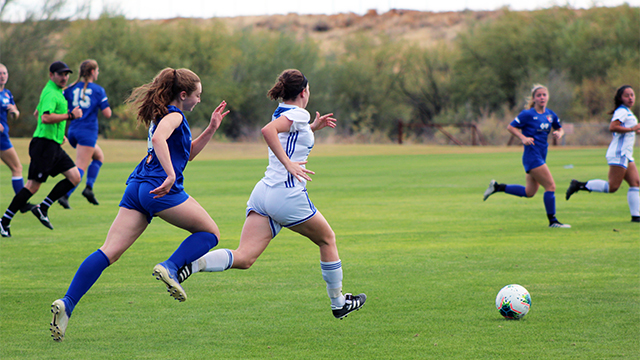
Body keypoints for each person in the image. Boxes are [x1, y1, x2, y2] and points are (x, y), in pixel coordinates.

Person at [50, 67, 229, 342]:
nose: (199, 100)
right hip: (159, 187)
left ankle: (67, 303)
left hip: (137, 186)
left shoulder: (164, 115)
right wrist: (170, 175)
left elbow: (187, 154)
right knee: (210, 234)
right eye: (198, 95)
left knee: (108, 251)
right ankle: (170, 267)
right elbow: (158, 140)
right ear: (183, 95)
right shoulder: (175, 115)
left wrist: (212, 128)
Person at [173, 69, 366, 320]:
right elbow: (268, 131)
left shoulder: (284, 111)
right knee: (327, 239)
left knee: (244, 258)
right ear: (304, 92)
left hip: (264, 193)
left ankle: (192, 265)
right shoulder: (298, 112)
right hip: (287, 195)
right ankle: (339, 302)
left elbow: (286, 136)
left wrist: (312, 128)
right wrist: (289, 164)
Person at [0, 61, 83, 237]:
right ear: (51, 75)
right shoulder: (51, 93)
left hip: (52, 143)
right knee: (33, 186)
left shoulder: (55, 92)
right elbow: (45, 118)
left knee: (75, 177)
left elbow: (38, 113)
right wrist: (70, 116)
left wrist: (59, 133)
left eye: (66, 74)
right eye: (60, 74)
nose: (64, 77)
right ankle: (4, 221)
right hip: (43, 146)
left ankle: (42, 208)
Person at [483, 84, 571, 228]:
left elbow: (560, 129)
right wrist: (522, 137)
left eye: (544, 95)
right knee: (551, 186)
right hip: (532, 157)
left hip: (541, 156)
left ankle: (497, 187)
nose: (542, 97)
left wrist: (559, 133)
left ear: (548, 97)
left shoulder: (550, 115)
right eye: (539, 95)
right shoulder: (527, 114)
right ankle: (553, 222)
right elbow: (510, 127)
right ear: (534, 98)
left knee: (529, 192)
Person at [565, 85, 640, 222]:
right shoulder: (622, 111)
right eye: (627, 95)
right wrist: (631, 129)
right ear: (620, 98)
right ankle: (579, 185)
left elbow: (629, 129)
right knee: (612, 187)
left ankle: (636, 217)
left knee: (636, 183)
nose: (630, 98)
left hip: (626, 154)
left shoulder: (627, 112)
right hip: (619, 153)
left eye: (632, 95)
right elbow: (613, 127)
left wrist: (634, 129)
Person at [58, 59, 112, 208]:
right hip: (87, 132)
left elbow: (61, 107)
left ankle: (89, 189)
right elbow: (107, 113)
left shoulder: (70, 88)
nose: (98, 73)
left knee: (99, 156)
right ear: (93, 72)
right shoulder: (98, 90)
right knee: (80, 166)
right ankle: (64, 195)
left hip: (73, 131)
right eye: (97, 71)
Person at [0, 63, 35, 214]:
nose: (2, 76)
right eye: (0, 73)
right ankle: (21, 203)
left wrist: (14, 112)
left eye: (4, 73)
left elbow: (16, 112)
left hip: (2, 137)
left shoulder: (7, 94)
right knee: (17, 168)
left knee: (17, 168)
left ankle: (21, 202)